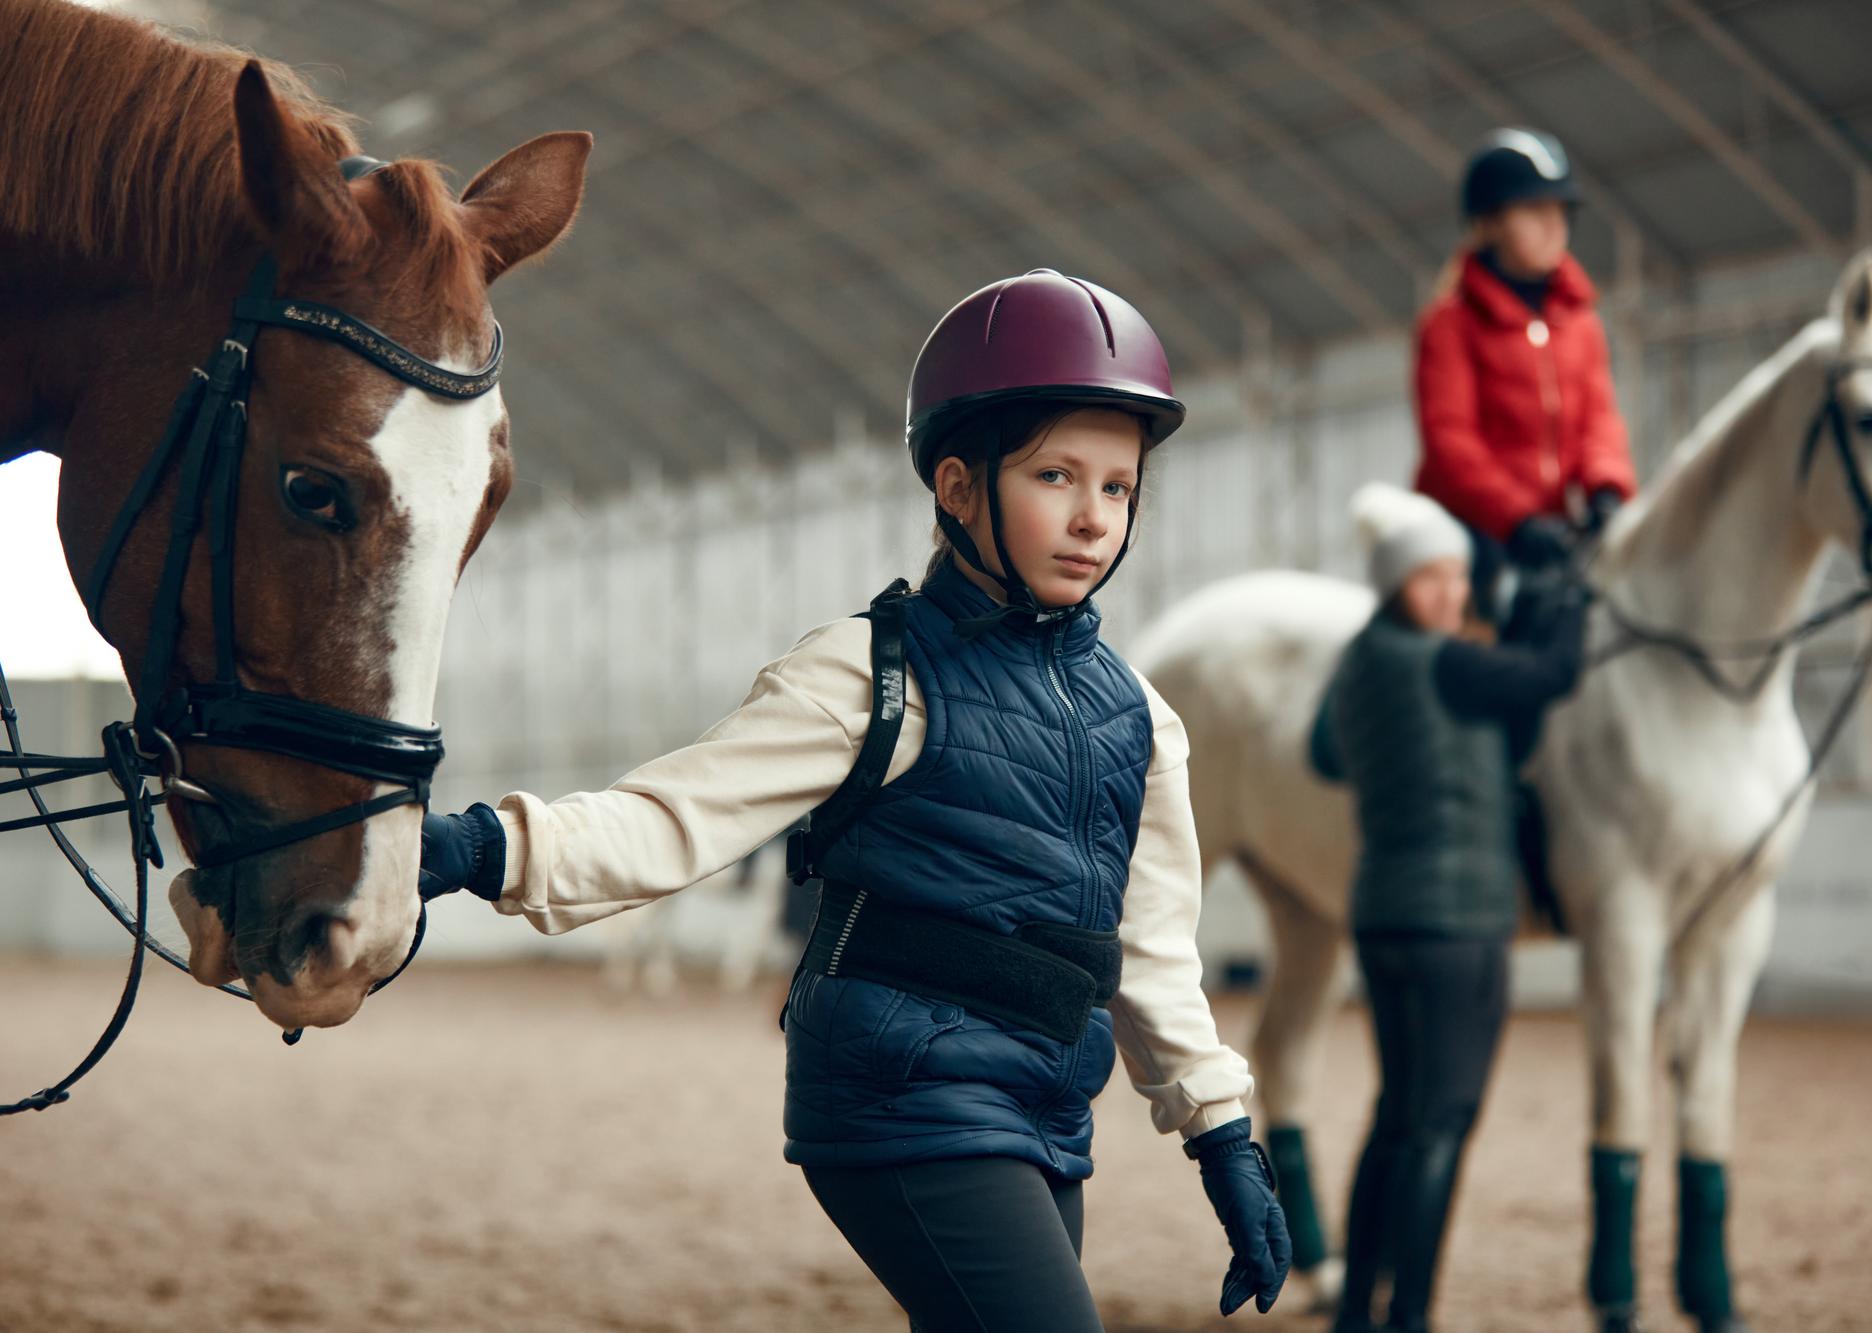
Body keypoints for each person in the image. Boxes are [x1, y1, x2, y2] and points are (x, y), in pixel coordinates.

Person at [418, 269, 1291, 1331]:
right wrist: (472, 847)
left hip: (1045, 1103)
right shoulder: (863, 676)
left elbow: (1148, 952)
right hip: (899, 1089)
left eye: (1117, 486)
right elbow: (669, 819)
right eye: (1055, 475)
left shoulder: (1143, 721)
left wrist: (1221, 1137)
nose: (1091, 518)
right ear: (958, 487)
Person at [1313, 483, 1587, 1333]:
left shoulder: (1359, 661)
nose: (1453, 594)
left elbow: (1324, 753)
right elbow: (1555, 673)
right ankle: (1411, 1317)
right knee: (1441, 1125)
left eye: (1458, 578)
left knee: (1396, 1115)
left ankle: (1359, 1308)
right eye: (1431, 579)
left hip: (1384, 916)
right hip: (1458, 925)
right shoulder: (1447, 661)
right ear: (1398, 582)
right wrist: (1566, 596)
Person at [1414, 127, 1636, 623]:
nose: (1554, 226)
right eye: (1535, 211)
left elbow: (1601, 419)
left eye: (1560, 212)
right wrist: (1516, 522)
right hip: (1477, 530)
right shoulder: (1448, 326)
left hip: (1555, 528)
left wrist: (1606, 488)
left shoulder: (1581, 323)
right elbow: (1451, 445)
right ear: (1489, 223)